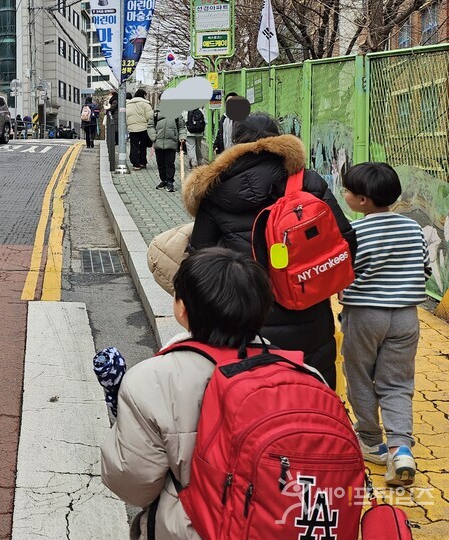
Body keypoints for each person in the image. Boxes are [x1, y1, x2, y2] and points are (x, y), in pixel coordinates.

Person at [102, 247, 274, 539]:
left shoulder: (150, 379)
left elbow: (132, 483)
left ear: (182, 309)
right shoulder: (304, 373)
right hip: (278, 524)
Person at [183, 113, 356, 389]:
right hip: (309, 313)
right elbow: (345, 240)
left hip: (242, 322)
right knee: (314, 396)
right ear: (279, 138)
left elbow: (199, 261)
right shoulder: (308, 181)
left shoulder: (215, 189)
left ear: (235, 142)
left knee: (256, 402)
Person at [338, 162, 428, 486]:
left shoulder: (355, 232)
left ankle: (371, 441)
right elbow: (425, 270)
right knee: (397, 382)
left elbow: (344, 272)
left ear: (362, 201)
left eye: (347, 190)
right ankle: (402, 448)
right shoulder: (413, 228)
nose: (344, 193)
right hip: (405, 316)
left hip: (364, 315)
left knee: (360, 376)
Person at [151, 100, 186, 192]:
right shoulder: (155, 114)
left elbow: (181, 127)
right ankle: (164, 180)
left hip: (171, 142)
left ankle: (170, 181)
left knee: (170, 163)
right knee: (160, 163)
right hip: (158, 142)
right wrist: (153, 136)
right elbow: (150, 126)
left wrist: (182, 137)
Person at [126, 89, 154, 170]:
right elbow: (150, 117)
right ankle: (142, 162)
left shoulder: (128, 104)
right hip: (143, 128)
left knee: (134, 146)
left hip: (132, 129)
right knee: (143, 146)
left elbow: (125, 116)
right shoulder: (145, 104)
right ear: (143, 95)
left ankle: (135, 163)